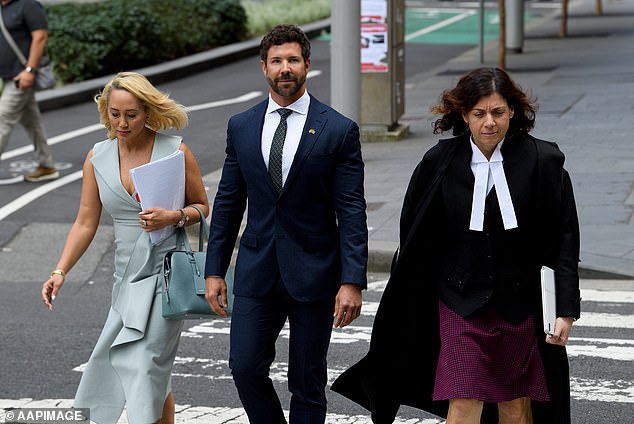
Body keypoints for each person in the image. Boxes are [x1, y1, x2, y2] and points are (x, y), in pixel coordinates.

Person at [332, 67, 581, 424]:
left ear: (513, 110)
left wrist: (565, 308)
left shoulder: (544, 162)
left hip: (520, 305)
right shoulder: (439, 163)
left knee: (515, 407)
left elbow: (565, 238)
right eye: (479, 114)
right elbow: (414, 236)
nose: (489, 123)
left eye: (498, 112)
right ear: (464, 115)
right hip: (459, 303)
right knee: (463, 401)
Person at [204, 24, 368, 423]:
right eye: (276, 61)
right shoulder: (241, 126)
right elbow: (228, 201)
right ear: (264, 68)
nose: (285, 68)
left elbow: (351, 210)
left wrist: (352, 281)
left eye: (293, 60)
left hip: (314, 272)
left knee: (306, 382)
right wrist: (214, 269)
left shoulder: (338, 129)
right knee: (244, 368)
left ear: (307, 65)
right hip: (258, 270)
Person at [40, 71, 209, 424]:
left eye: (131, 114)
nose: (122, 122)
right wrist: (60, 271)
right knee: (146, 372)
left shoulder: (175, 151)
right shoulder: (97, 157)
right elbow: (85, 221)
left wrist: (174, 217)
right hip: (125, 280)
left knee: (146, 364)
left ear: (148, 111)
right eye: (114, 114)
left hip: (165, 275)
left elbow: (202, 207)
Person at [0, 0, 58, 182]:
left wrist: (30, 70)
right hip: (9, 76)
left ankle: (46, 165)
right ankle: (46, 165)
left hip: (22, 76)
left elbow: (40, 37)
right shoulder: (2, 8)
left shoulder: (28, 5)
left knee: (2, 117)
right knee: (32, 122)